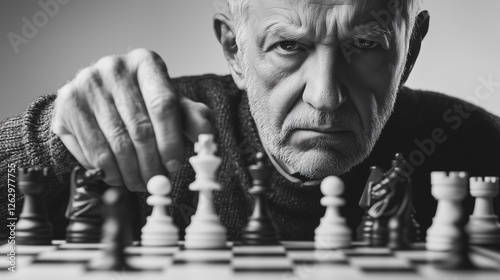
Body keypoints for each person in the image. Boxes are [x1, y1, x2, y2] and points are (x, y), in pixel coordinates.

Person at [1, 0, 500, 242]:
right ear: (233, 49)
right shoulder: (152, 128)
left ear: (409, 48)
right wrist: (50, 140)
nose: (325, 98)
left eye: (366, 45)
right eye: (288, 45)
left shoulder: (478, 146)